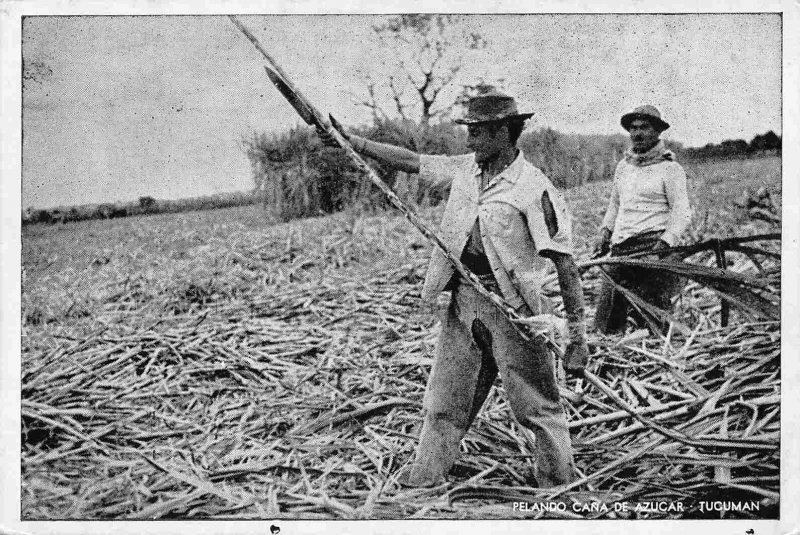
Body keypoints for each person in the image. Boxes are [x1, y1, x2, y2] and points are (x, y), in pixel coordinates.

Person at [317, 89, 588, 488]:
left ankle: (559, 486)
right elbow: (412, 161)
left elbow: (566, 265)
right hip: (465, 301)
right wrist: (351, 141)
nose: (470, 139)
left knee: (536, 408)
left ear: (502, 131)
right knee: (444, 403)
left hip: (516, 311)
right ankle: (424, 481)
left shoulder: (534, 188)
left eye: (477, 131)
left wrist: (578, 338)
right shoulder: (466, 170)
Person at [593, 105, 691, 334]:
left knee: (651, 322)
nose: (637, 133)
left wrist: (664, 245)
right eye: (633, 128)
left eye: (644, 127)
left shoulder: (670, 169)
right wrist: (605, 232)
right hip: (621, 249)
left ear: (657, 132)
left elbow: (682, 212)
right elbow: (615, 204)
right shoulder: (624, 167)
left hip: (651, 248)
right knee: (605, 325)